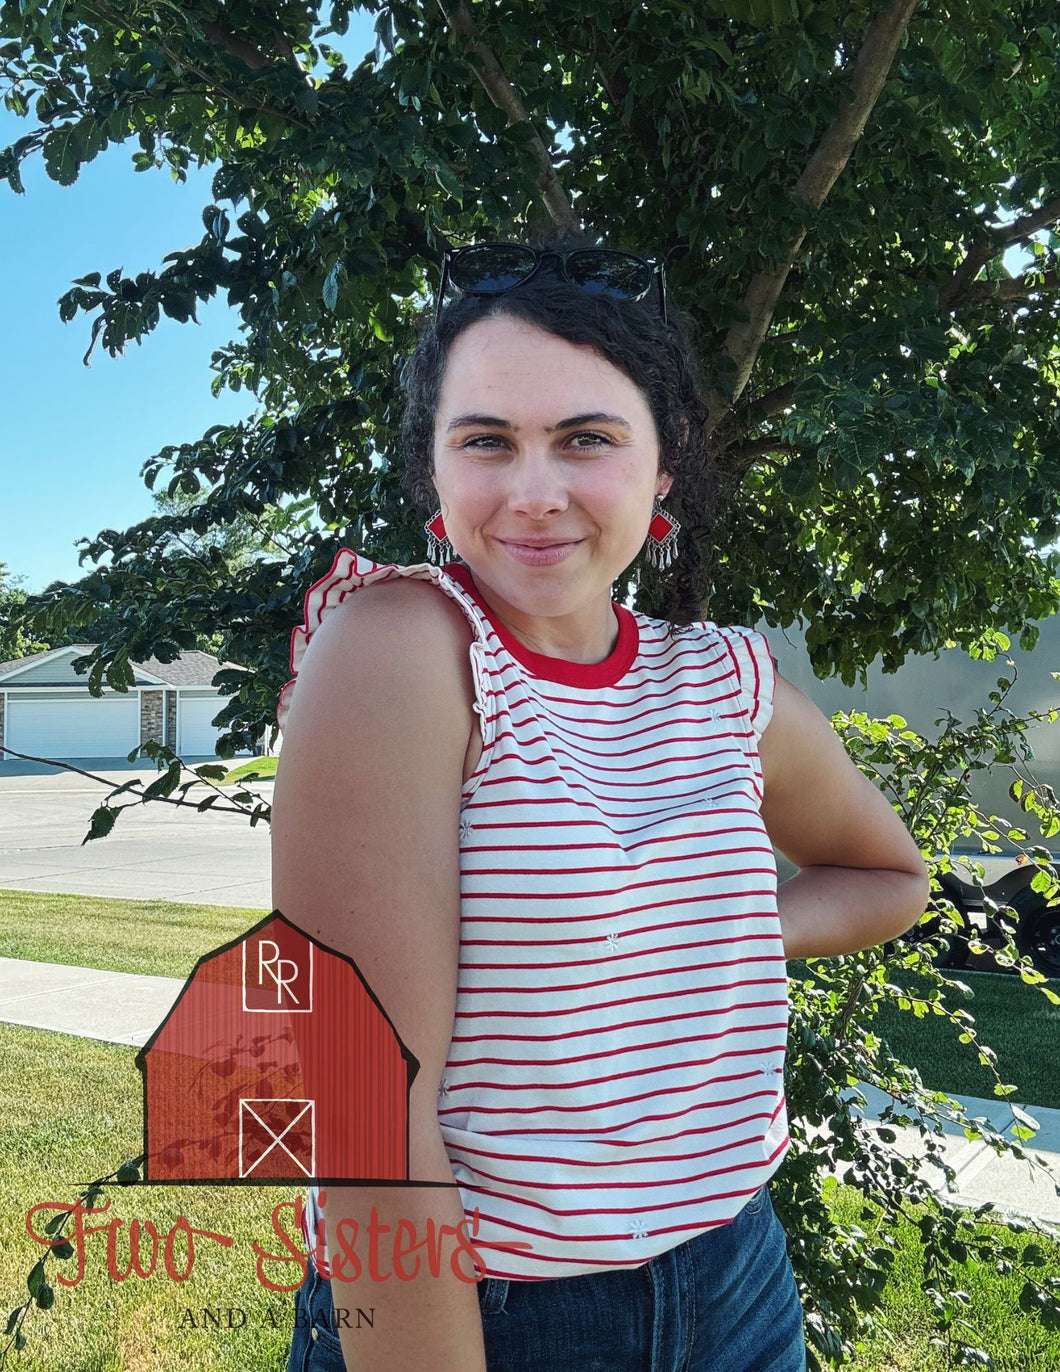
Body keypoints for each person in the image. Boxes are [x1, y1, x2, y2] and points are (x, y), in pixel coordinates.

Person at [272, 228, 929, 1372]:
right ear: (433, 468)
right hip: (495, 1311)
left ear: (662, 463)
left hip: (737, 1279)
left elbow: (889, 878)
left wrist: (719, 931)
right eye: (486, 440)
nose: (533, 494)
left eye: (585, 438)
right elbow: (365, 1110)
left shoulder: (724, 679)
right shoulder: (401, 650)